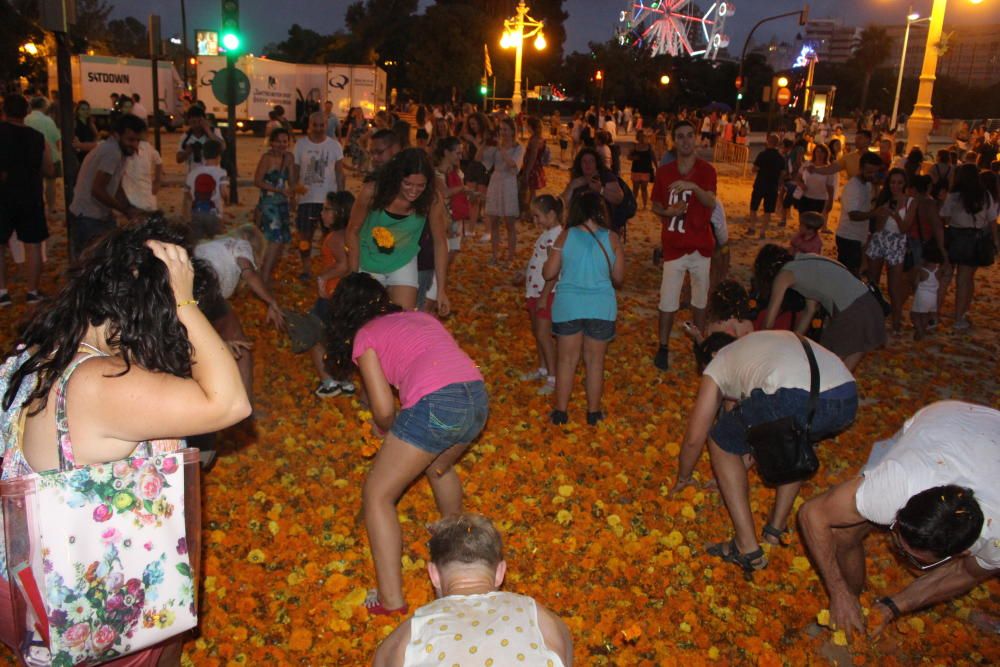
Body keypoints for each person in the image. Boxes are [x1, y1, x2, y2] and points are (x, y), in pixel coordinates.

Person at [0, 219, 251, 665]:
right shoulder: (97, 382)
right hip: (85, 597)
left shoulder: (43, 352)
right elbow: (230, 404)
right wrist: (186, 302)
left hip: (29, 579)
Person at [325, 273, 488, 615]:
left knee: (377, 495)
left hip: (436, 404)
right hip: (476, 398)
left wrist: (385, 430)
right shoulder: (419, 316)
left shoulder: (365, 335)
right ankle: (454, 540)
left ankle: (391, 600)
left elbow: (384, 409)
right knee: (438, 464)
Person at [799, 401, 999, 641]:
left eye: (915, 559)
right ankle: (851, 598)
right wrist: (839, 592)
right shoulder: (896, 483)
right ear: (902, 509)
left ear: (963, 552)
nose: (898, 553)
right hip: (946, 420)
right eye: (895, 533)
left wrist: (893, 606)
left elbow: (965, 573)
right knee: (845, 532)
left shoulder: (995, 540)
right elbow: (812, 513)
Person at [672, 330, 857, 578]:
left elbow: (696, 438)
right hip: (845, 397)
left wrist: (684, 477)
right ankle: (774, 530)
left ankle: (746, 547)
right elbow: (755, 431)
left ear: (712, 356)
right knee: (792, 442)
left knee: (718, 440)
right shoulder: (756, 347)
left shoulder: (719, 363)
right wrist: (731, 473)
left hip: (793, 395)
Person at [373, 514, 573, 667]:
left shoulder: (417, 627)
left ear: (433, 575)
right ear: (500, 573)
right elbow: (564, 646)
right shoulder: (534, 613)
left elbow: (381, 659)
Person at [543, 191, 624, 426]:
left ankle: (560, 412)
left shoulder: (565, 236)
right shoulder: (612, 238)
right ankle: (593, 413)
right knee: (595, 362)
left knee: (566, 360)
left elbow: (548, 273)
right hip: (601, 307)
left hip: (568, 306)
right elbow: (618, 277)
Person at [347, 148, 450, 314]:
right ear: (397, 178)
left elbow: (440, 242)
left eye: (420, 185)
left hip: (403, 259)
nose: (414, 191)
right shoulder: (372, 192)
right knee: (367, 320)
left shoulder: (432, 199)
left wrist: (441, 289)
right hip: (368, 259)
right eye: (407, 184)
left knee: (404, 319)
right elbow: (352, 231)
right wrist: (353, 276)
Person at [650, 120, 718, 372]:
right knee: (668, 300)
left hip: (701, 245)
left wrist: (692, 187)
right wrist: (668, 212)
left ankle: (698, 346)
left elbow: (710, 201)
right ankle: (664, 347)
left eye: (690, 135)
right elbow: (655, 205)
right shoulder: (665, 171)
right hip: (674, 245)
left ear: (696, 138)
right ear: (674, 140)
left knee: (700, 300)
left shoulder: (707, 171)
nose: (686, 141)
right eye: (680, 136)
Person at [194, 223, 287, 402]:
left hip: (186, 294)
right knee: (240, 344)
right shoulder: (241, 244)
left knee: (201, 346)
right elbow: (248, 272)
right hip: (205, 292)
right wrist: (271, 301)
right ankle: (244, 405)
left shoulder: (210, 246)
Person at [758, 246, 886, 372]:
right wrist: (793, 344)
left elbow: (769, 323)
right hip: (869, 303)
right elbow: (810, 310)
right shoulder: (806, 262)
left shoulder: (784, 274)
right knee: (844, 370)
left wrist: (760, 346)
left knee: (825, 365)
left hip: (850, 310)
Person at [0, 94, 54, 307]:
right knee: (33, 244)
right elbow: (49, 168)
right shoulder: (37, 137)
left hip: (3, 195)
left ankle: (2, 292)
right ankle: (32, 291)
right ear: (26, 113)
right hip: (30, 194)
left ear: (4, 111)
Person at [937, 163, 998, 330]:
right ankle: (959, 316)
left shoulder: (954, 195)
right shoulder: (985, 195)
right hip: (975, 239)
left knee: (945, 277)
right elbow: (992, 221)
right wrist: (995, 241)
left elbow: (944, 216)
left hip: (955, 236)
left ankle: (935, 314)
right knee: (965, 280)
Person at [311, 191, 356, 398]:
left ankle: (329, 382)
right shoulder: (352, 235)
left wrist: (323, 277)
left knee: (314, 335)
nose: (322, 213)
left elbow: (344, 264)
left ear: (340, 212)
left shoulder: (333, 238)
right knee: (343, 338)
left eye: (327, 209)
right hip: (347, 295)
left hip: (331, 294)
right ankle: (346, 381)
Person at [293, 111, 346, 280]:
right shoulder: (300, 145)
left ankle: (330, 267)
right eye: (314, 125)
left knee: (330, 237)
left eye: (321, 125)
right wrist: (293, 194)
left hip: (328, 201)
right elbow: (294, 172)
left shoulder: (335, 146)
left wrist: (340, 198)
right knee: (304, 236)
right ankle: (306, 269)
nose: (318, 128)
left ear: (327, 125)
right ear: (309, 125)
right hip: (306, 200)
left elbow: (340, 173)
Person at [522, 195, 563, 397]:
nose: (535, 221)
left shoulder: (556, 236)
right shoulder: (546, 233)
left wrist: (544, 296)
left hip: (545, 293)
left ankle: (553, 378)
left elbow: (553, 270)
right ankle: (543, 368)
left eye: (538, 217)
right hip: (534, 290)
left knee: (544, 335)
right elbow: (538, 261)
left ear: (552, 214)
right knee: (538, 332)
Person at [866, 168, 916, 332]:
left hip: (897, 242)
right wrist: (882, 213)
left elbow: (904, 228)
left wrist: (894, 213)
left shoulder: (910, 202)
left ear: (905, 184)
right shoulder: (884, 198)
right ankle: (872, 318)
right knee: (873, 282)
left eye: (899, 183)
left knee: (894, 286)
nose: (895, 186)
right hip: (880, 239)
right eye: (893, 182)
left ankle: (896, 323)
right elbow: (877, 228)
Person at [253, 127, 296, 285]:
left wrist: (293, 196)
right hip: (269, 204)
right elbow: (257, 181)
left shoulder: (289, 157)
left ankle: (268, 273)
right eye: (278, 141)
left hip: (283, 202)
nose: (281, 144)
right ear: (271, 142)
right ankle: (263, 276)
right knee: (275, 239)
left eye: (285, 141)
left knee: (282, 239)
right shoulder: (267, 158)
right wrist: (278, 189)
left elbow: (291, 181)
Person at [481, 117, 524, 264]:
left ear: (513, 130)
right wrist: (483, 144)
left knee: (509, 222)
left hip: (509, 182)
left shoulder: (519, 147)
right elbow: (483, 161)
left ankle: (510, 256)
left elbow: (513, 165)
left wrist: (502, 150)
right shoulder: (496, 147)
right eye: (501, 129)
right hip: (496, 181)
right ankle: (494, 254)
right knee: (494, 221)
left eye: (506, 129)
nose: (503, 132)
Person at [834, 152, 884, 276]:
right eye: (869, 172)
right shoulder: (853, 187)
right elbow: (854, 215)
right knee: (848, 275)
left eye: (875, 172)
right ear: (861, 168)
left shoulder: (867, 184)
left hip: (858, 237)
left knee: (854, 272)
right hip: (848, 237)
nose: (872, 175)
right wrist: (874, 214)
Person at [24, 96, 61, 218]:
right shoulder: (48, 120)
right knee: (50, 183)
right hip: (50, 155)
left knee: (35, 183)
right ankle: (51, 207)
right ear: (44, 106)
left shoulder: (26, 119)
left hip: (30, 156)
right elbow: (56, 139)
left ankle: (37, 206)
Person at [184, 140, 229, 238]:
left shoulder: (193, 172)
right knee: (216, 240)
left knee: (196, 241)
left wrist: (187, 215)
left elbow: (187, 194)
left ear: (203, 155)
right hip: (214, 214)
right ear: (219, 156)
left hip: (196, 213)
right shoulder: (221, 172)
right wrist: (226, 200)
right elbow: (223, 191)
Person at [747, 134, 786, 238]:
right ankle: (763, 231)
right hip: (772, 186)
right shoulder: (780, 158)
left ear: (768, 141)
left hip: (760, 183)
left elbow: (754, 169)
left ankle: (752, 227)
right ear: (777, 144)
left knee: (754, 206)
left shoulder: (762, 155)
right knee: (768, 210)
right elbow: (783, 174)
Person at [121, 127, 163, 212]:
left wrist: (158, 181)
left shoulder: (146, 147)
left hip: (148, 200)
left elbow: (158, 160)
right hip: (129, 203)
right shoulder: (121, 150)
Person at [176, 106, 225, 174]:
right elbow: (178, 159)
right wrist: (187, 152)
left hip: (212, 174)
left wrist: (208, 130)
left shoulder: (214, 132)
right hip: (193, 175)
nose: (196, 125)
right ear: (189, 121)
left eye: (199, 122)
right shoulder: (185, 137)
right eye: (193, 122)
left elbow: (222, 147)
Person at [910, 241, 942, 341]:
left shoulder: (922, 270)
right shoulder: (939, 270)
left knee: (914, 314)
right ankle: (923, 328)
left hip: (922, 295)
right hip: (933, 296)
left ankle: (919, 330)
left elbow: (915, 282)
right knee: (925, 314)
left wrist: (913, 289)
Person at [520, 116, 548, 221]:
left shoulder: (535, 140)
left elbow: (533, 157)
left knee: (531, 193)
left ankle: (531, 214)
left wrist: (527, 171)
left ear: (531, 127)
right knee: (532, 192)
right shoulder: (540, 138)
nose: (526, 128)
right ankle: (531, 213)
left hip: (532, 168)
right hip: (537, 168)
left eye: (527, 126)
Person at [629, 129, 657, 210]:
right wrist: (634, 157)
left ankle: (645, 205)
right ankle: (634, 205)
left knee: (644, 188)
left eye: (643, 136)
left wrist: (657, 167)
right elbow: (629, 156)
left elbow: (653, 157)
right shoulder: (635, 146)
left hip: (646, 170)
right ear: (638, 137)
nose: (642, 138)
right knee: (635, 188)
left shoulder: (649, 146)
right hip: (636, 169)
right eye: (640, 136)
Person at [72, 100, 100, 166]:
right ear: (78, 111)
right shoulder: (75, 123)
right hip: (80, 155)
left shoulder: (90, 123)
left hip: (91, 153)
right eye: (83, 109)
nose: (86, 111)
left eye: (87, 109)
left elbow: (96, 136)